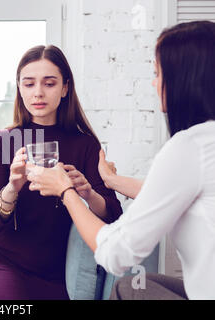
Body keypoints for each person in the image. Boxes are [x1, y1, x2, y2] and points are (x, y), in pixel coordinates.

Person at [26, 20, 215, 299]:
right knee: (135, 286)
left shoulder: (189, 147)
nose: (154, 82)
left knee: (129, 290)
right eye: (29, 83)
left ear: (182, 79)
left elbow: (116, 254)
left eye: (157, 73)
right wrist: (110, 180)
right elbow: (172, 193)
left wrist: (65, 191)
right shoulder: (205, 145)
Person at [0, 45, 123, 300]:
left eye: (49, 84)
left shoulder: (85, 145)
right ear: (19, 88)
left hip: (54, 275)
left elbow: (114, 215)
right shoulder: (0, 141)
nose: (38, 93)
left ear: (65, 88)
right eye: (28, 84)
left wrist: (88, 193)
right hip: (0, 264)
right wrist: (12, 187)